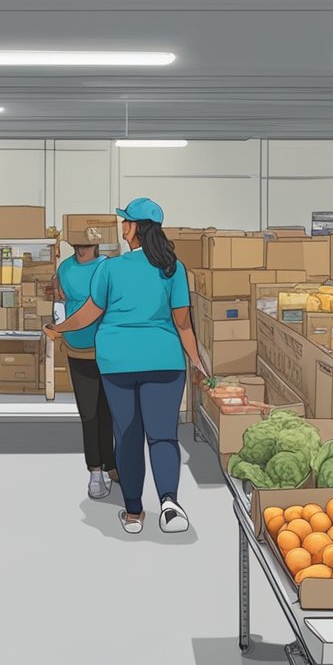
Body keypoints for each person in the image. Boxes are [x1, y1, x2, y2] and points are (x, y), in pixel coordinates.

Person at [45, 198, 207, 535]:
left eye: (125, 223)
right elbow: (184, 324)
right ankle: (169, 504)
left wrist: (57, 329)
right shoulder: (173, 268)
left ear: (135, 228)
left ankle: (134, 514)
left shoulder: (111, 268)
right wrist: (197, 361)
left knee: (128, 435)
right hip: (164, 361)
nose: (122, 228)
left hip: (117, 362)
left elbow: (90, 312)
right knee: (163, 436)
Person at [54, 231, 118, 500]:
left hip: (106, 347)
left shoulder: (107, 266)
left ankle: (111, 466)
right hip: (77, 347)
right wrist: (58, 326)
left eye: (87, 242)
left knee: (109, 412)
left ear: (97, 241)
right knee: (89, 412)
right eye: (77, 242)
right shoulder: (65, 268)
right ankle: (95, 471)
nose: (81, 247)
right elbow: (60, 300)